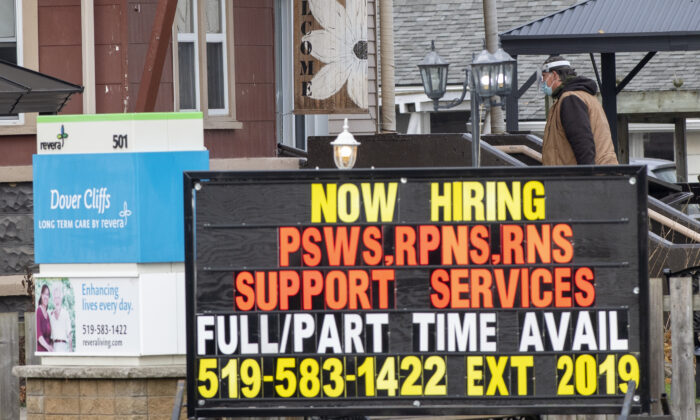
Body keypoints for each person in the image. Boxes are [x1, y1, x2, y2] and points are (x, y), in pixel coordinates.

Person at [540, 55, 619, 166]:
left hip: (585, 179)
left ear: (554, 75)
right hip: (599, 175)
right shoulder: (582, 96)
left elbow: (583, 144)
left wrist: (585, 179)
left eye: (544, 76)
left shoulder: (570, 99)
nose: (542, 81)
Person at [50, 284, 72, 352]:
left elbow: (69, 334)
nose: (57, 300)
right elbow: (50, 336)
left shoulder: (65, 313)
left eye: (58, 297)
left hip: (63, 346)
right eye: (55, 298)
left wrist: (71, 350)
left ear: (61, 298)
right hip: (54, 348)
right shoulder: (51, 315)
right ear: (53, 299)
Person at [36, 284, 53, 352]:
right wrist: (48, 347)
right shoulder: (38, 311)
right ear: (41, 295)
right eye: (44, 294)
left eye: (48, 294)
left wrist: (51, 345)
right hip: (41, 352)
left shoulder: (48, 315)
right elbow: (39, 335)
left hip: (48, 352)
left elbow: (49, 336)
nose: (46, 296)